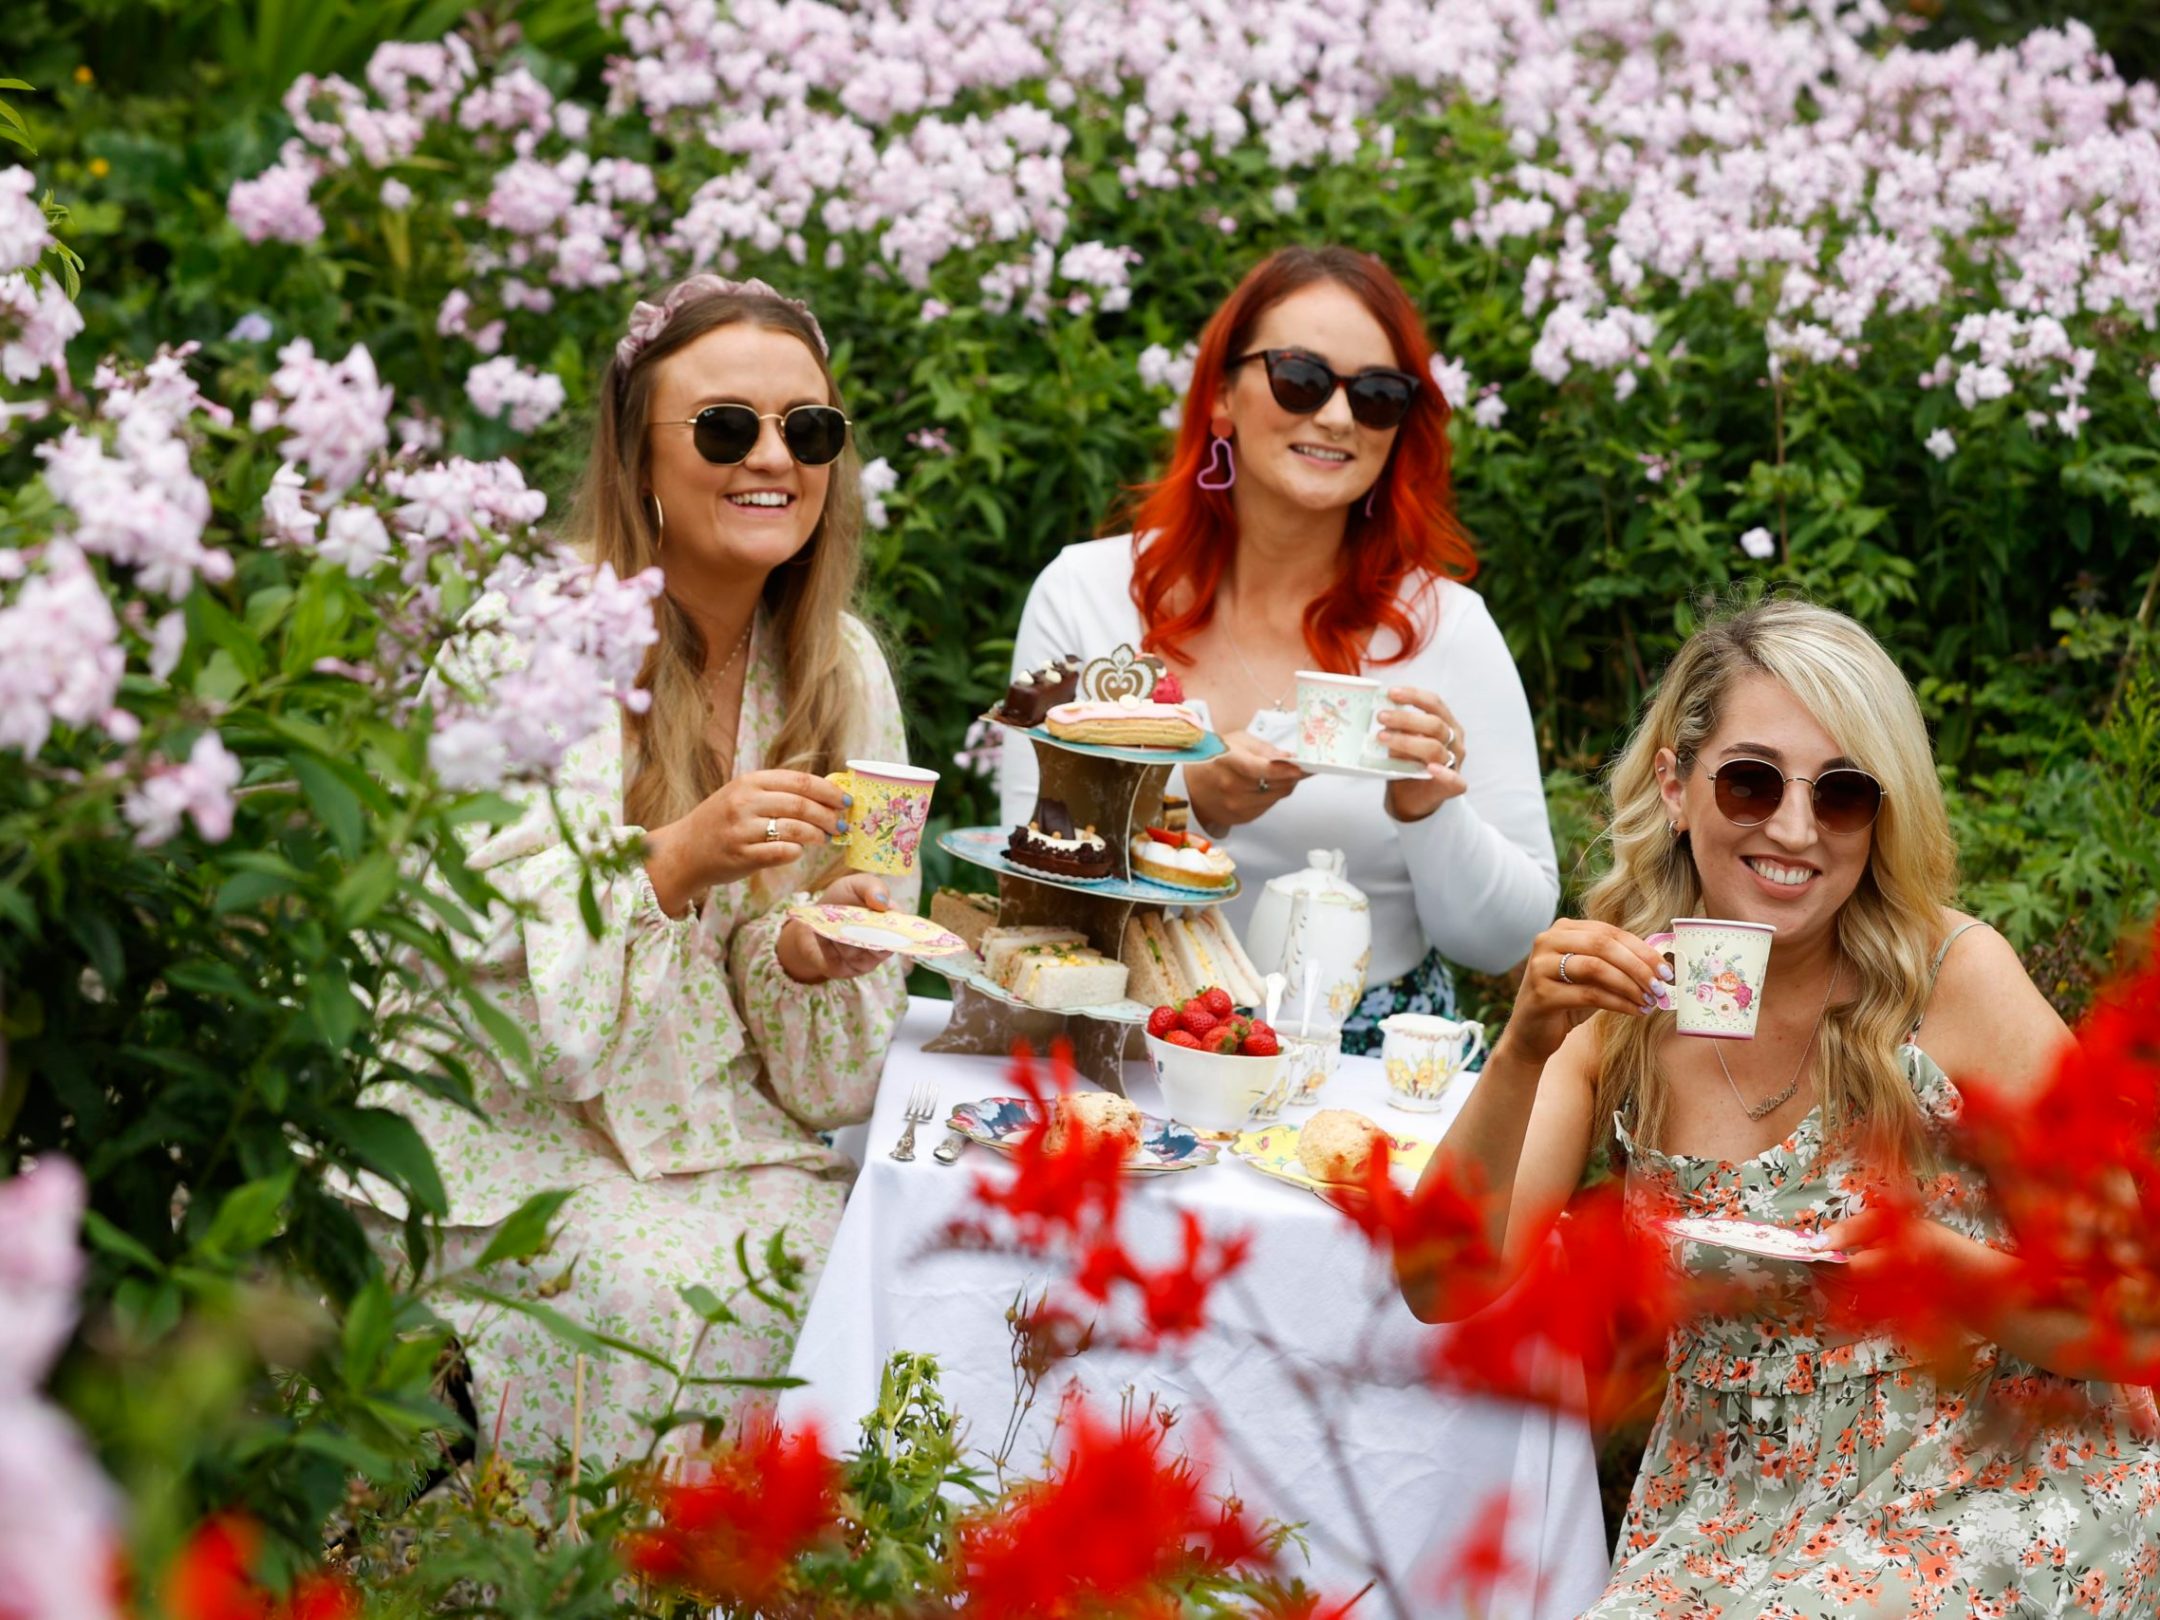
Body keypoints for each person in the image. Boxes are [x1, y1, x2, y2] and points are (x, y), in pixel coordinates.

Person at [1404, 596, 2160, 1614]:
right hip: (1729, 1503)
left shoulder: (1951, 981)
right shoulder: (1629, 1008)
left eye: (1842, 793)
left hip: (1990, 1477)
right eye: (1752, 781)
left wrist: (1940, 1273)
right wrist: (1524, 1048)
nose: (1795, 830)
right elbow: (1439, 1282)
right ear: (1676, 784)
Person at [356, 276, 913, 1466]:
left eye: (806, 431)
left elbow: (833, 1090)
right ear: (636, 452)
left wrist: (809, 956)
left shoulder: (840, 668)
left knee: (868, 1260)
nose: (773, 456)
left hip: (713, 1124)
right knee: (663, 1292)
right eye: (725, 427)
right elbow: (483, 976)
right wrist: (672, 862)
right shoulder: (534, 636)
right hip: (505, 1125)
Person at [1000, 246, 1557, 1050]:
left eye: (1375, 395)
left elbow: (1503, 941)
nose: (1336, 418)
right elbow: (1030, 885)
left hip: (1363, 1083)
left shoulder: (1448, 628)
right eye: (1300, 377)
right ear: (1221, 394)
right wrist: (1186, 805)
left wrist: (1430, 810)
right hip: (1118, 1053)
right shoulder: (1085, 596)